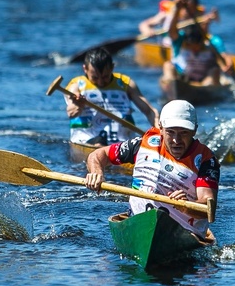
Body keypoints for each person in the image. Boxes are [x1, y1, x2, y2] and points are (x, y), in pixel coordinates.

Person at [84, 100, 219, 237]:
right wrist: (96, 172)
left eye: (183, 133)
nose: (176, 140)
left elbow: (208, 207)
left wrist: (186, 206)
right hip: (138, 223)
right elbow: (99, 154)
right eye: (170, 132)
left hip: (183, 232)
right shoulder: (144, 144)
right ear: (160, 127)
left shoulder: (206, 160)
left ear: (194, 130)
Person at [65, 47, 159, 146]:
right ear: (85, 69)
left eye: (105, 77)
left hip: (122, 143)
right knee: (99, 144)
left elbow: (149, 111)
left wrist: (159, 130)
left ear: (112, 68)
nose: (100, 82)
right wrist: (77, 104)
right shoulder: (76, 85)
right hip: (88, 141)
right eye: (95, 78)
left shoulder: (125, 83)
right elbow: (71, 112)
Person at [138, 0, 214, 40]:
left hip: (189, 47)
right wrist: (148, 31)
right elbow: (143, 24)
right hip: (170, 46)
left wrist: (207, 23)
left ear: (195, 8)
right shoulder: (167, 15)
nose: (186, 11)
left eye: (190, 8)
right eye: (184, 8)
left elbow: (205, 35)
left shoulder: (199, 17)